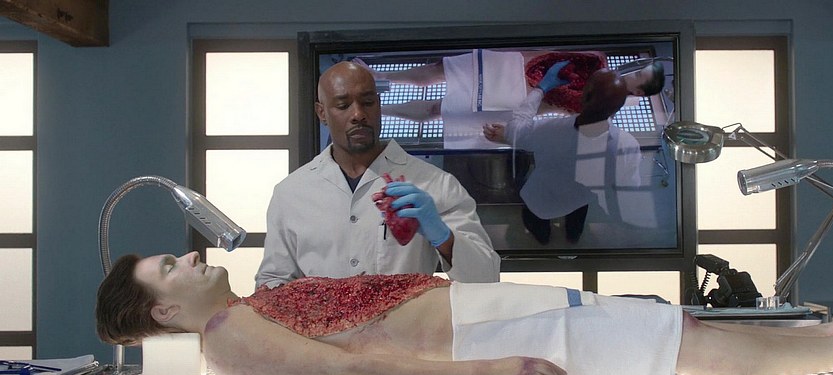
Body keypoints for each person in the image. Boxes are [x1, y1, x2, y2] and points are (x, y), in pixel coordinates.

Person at [98, 251, 833, 375]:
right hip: (485, 338)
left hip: (486, 316)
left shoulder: (242, 313)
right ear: (164, 309)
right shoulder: (229, 336)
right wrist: (488, 371)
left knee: (679, 331)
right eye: (169, 266)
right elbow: (347, 371)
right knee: (683, 344)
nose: (188, 256)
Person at [255, 61, 500, 288]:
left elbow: (486, 277)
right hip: (320, 323)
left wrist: (442, 236)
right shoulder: (292, 193)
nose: (358, 114)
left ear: (379, 105)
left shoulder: (436, 184)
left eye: (368, 102)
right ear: (322, 113)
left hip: (404, 321)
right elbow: (272, 281)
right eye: (343, 105)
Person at [355, 50, 664, 148]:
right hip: (510, 64)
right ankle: (380, 78)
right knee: (443, 68)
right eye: (638, 67)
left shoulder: (602, 110)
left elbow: (559, 131)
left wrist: (513, 134)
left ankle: (379, 109)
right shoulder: (599, 58)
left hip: (517, 98)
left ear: (639, 92)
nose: (632, 70)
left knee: (442, 109)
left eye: (639, 75)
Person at [482, 65, 643, 244]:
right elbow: (629, 185)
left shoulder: (551, 129)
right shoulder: (628, 146)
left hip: (542, 196)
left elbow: (516, 131)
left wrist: (541, 88)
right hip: (580, 198)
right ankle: (573, 237)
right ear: (618, 109)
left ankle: (543, 239)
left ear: (583, 96)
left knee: (536, 220)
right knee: (576, 222)